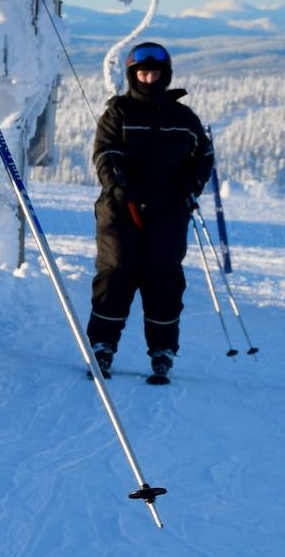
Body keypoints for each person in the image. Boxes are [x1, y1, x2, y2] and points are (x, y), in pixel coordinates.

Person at [86, 41, 211, 385]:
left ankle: (162, 350)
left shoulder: (184, 118)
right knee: (116, 273)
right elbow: (104, 153)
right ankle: (101, 346)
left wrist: (190, 188)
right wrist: (116, 184)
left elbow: (203, 156)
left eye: (156, 73)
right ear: (132, 75)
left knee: (163, 278)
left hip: (168, 211)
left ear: (166, 75)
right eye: (143, 72)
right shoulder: (118, 113)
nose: (149, 78)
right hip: (120, 209)